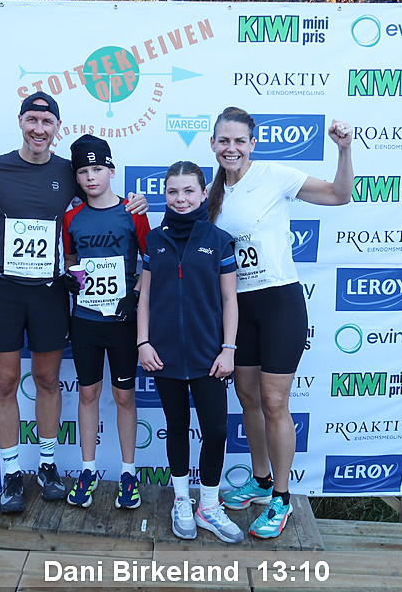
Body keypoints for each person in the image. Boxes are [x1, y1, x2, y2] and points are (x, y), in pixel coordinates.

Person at [0, 92, 147, 513]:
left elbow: (103, 202)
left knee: (47, 380)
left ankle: (47, 465)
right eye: (32, 120)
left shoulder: (68, 172)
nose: (39, 129)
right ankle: (10, 473)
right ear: (21, 121)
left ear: (57, 127)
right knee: (4, 383)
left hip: (49, 291)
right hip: (2, 290)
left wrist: (137, 206)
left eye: (47, 122)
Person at [209, 107, 354, 538]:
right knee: (248, 397)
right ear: (213, 144)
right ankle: (260, 480)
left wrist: (344, 151)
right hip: (239, 308)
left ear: (252, 144)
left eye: (239, 141)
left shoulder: (274, 175)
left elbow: (339, 195)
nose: (232, 148)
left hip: (279, 303)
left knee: (274, 401)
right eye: (224, 140)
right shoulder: (213, 193)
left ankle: (282, 497)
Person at [137, 161, 242, 543]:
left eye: (188, 191)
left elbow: (229, 299)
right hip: (163, 356)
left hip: (209, 356)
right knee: (177, 428)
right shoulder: (154, 240)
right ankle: (181, 500)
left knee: (215, 431)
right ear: (165, 194)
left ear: (203, 193)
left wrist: (228, 348)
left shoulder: (219, 240)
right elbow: (145, 296)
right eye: (173, 191)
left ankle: (208, 506)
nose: (180, 199)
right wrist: (143, 342)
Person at [62, 134, 149, 509]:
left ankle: (129, 473)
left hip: (122, 321)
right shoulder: (71, 218)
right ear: (76, 177)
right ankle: (88, 470)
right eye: (83, 171)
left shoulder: (134, 212)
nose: (91, 177)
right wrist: (71, 278)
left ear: (111, 171)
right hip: (85, 319)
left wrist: (135, 294)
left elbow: (152, 260)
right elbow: (69, 259)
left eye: (97, 169)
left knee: (124, 396)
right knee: (87, 394)